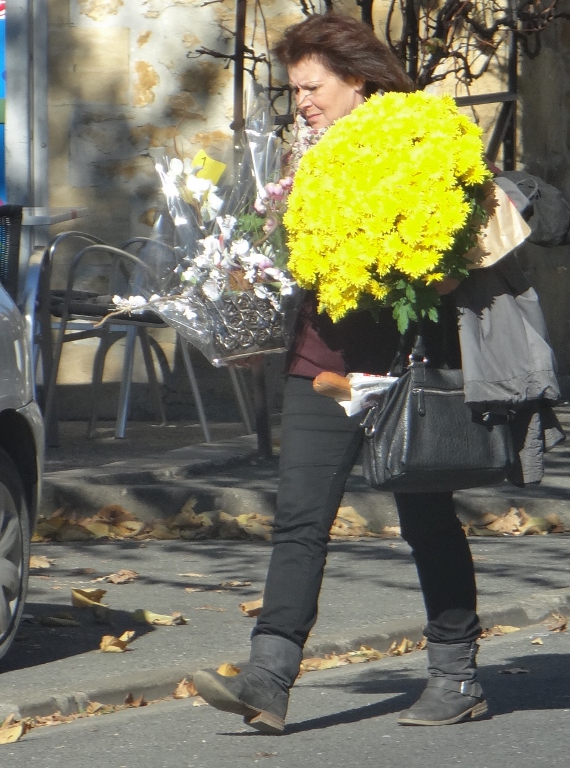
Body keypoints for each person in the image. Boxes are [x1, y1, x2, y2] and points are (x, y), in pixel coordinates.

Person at [191, 13, 488, 734]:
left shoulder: (420, 141)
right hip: (320, 362)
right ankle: (267, 679)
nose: (302, 102)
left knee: (427, 522)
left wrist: (404, 250)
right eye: (294, 90)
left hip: (406, 368)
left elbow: (456, 262)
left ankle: (456, 674)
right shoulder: (299, 158)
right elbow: (279, 257)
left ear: (356, 78)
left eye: (312, 87)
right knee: (300, 519)